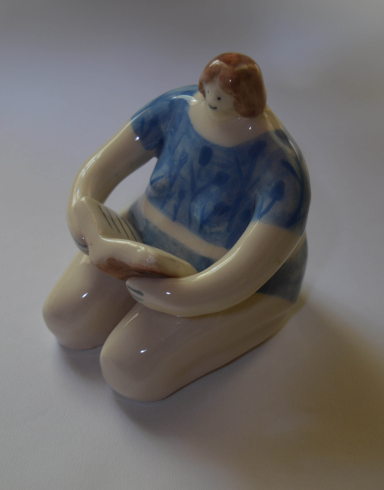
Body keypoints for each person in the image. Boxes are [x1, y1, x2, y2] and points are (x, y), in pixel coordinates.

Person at [43, 53, 311, 401]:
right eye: (209, 90)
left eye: (222, 96)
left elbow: (243, 275)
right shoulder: (175, 109)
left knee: (128, 367)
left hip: (227, 287)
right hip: (137, 242)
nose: (212, 100)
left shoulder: (281, 168)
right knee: (64, 317)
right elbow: (97, 170)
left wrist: (177, 297)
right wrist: (83, 220)